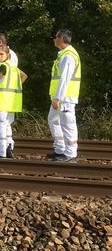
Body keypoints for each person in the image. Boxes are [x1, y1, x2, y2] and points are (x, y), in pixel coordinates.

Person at [48, 29, 81, 162]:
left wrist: (58, 98)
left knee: (68, 123)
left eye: (56, 37)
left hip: (65, 98)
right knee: (53, 120)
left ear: (61, 38)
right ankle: (60, 149)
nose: (54, 39)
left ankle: (71, 153)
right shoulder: (63, 54)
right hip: (60, 97)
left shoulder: (68, 56)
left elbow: (64, 79)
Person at [0, 45, 27, 158]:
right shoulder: (13, 67)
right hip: (12, 101)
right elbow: (24, 76)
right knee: (7, 125)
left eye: (1, 54)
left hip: (2, 100)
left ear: (7, 55)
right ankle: (9, 147)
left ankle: (1, 152)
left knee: (0, 125)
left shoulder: (3, 66)